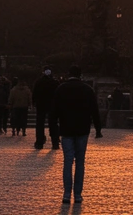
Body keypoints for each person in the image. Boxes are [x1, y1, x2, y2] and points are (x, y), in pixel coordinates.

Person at [50, 65, 103, 204]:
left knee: (68, 162)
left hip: (66, 129)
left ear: (69, 74)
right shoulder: (87, 89)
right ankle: (78, 194)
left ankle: (67, 194)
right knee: (80, 162)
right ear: (80, 75)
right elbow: (94, 110)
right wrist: (98, 129)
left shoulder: (61, 89)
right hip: (82, 129)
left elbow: (54, 112)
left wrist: (53, 131)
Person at [33, 66, 60, 150]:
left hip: (41, 105)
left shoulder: (39, 82)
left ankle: (39, 142)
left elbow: (34, 93)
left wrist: (34, 103)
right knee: (53, 124)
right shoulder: (55, 82)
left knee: (40, 124)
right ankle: (55, 142)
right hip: (52, 105)